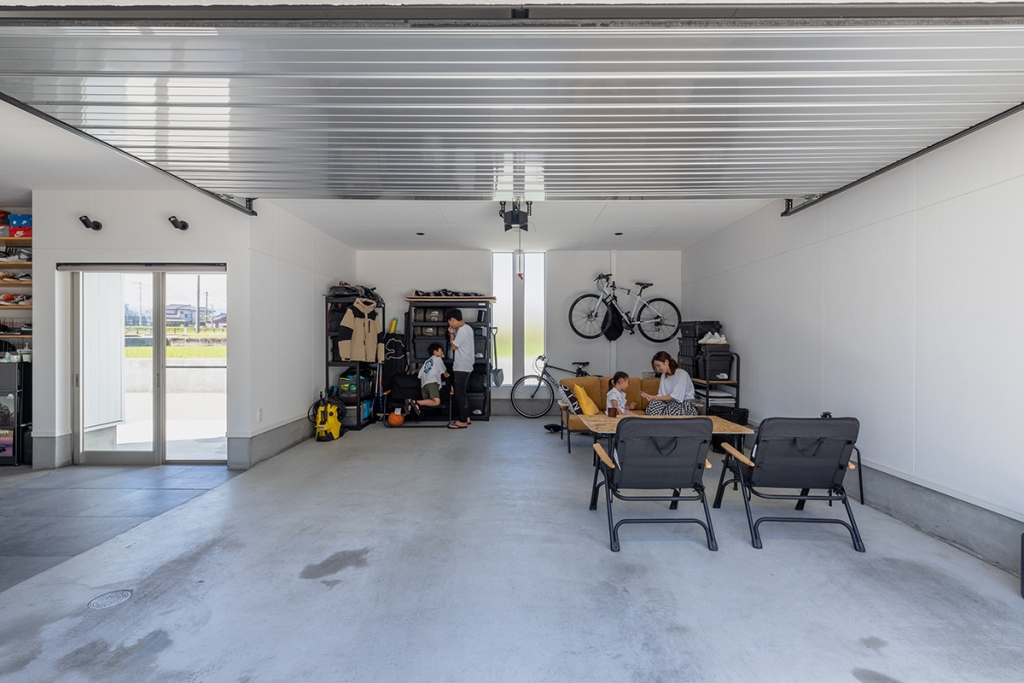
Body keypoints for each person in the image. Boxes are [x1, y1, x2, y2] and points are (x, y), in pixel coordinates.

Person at [639, 351, 698, 416]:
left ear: (666, 362)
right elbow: (661, 395)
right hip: (668, 402)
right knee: (653, 405)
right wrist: (649, 397)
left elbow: (674, 397)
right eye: (656, 367)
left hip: (682, 403)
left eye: (659, 365)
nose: (658, 369)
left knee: (668, 412)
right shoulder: (663, 376)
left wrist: (653, 397)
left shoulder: (682, 374)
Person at [446, 308, 474, 428]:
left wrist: (451, 333)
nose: (450, 325)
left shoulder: (462, 331)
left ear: (453, 319)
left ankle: (462, 421)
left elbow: (454, 347)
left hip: (462, 365)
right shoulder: (468, 328)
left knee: (459, 393)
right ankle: (466, 417)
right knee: (462, 392)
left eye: (450, 322)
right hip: (466, 364)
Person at [406, 343, 448, 415]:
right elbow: (445, 373)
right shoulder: (438, 359)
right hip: (432, 382)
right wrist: (448, 375)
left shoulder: (426, 362)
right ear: (435, 352)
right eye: (441, 350)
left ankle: (411, 404)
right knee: (436, 402)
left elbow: (419, 375)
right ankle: (415, 402)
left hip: (424, 385)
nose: (442, 352)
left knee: (429, 402)